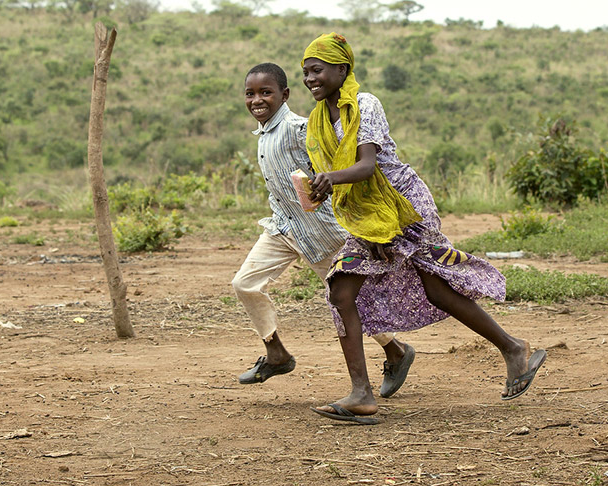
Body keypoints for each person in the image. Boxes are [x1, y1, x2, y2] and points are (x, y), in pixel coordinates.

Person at [299, 33, 546, 424]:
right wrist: (353, 217)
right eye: (305, 73)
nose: (310, 78)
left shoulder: (364, 104)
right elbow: (347, 183)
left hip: (404, 204)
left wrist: (329, 179)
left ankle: (513, 348)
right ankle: (361, 393)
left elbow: (366, 167)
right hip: (369, 215)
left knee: (436, 286)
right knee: (342, 287)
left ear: (342, 69)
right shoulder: (318, 121)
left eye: (317, 70)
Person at [232, 62, 416, 399]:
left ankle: (397, 351)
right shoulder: (264, 134)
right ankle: (276, 353)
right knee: (245, 283)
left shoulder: (300, 129)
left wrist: (364, 226)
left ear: (284, 95)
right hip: (283, 229)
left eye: (266, 92)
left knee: (347, 303)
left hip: (324, 233)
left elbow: (336, 170)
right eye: (250, 94)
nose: (257, 100)